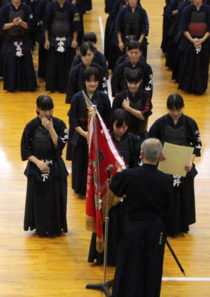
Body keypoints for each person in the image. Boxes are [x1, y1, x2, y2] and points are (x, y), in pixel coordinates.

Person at [110, 137, 172, 297]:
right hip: (155, 229)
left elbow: (115, 187)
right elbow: (168, 207)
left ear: (141, 154)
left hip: (133, 228)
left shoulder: (130, 175)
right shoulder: (166, 179)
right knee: (152, 267)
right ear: (160, 156)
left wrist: (118, 169)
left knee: (129, 265)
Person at [87, 108, 140, 266]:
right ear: (112, 126)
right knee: (106, 221)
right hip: (107, 187)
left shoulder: (133, 140)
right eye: (118, 127)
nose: (122, 130)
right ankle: (104, 256)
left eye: (124, 127)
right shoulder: (104, 139)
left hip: (124, 188)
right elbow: (98, 160)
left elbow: (137, 164)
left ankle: (123, 256)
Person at [149, 93, 201, 238]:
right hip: (165, 166)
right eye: (172, 110)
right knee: (166, 196)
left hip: (183, 166)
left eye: (178, 110)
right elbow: (151, 142)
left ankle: (181, 224)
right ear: (167, 109)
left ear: (183, 108)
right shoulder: (160, 123)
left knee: (180, 196)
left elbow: (197, 146)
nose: (176, 113)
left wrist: (190, 160)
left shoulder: (190, 123)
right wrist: (158, 154)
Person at [22, 94, 69, 238]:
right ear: (37, 109)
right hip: (37, 167)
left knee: (55, 198)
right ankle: (40, 227)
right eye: (44, 110)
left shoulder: (60, 125)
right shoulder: (31, 126)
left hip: (55, 168)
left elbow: (60, 146)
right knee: (39, 199)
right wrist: (38, 162)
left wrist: (51, 129)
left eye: (50, 110)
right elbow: (25, 149)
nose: (48, 113)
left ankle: (56, 227)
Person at [68, 67, 111, 198]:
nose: (92, 84)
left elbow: (108, 118)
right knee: (80, 164)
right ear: (84, 81)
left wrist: (99, 133)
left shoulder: (103, 98)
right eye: (89, 81)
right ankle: (81, 190)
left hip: (99, 137)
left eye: (95, 81)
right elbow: (73, 119)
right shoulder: (77, 97)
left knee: (98, 163)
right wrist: (85, 134)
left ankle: (97, 189)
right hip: (81, 137)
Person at [0, 0, 38, 92]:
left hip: (23, 39)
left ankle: (27, 86)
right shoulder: (5, 9)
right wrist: (13, 24)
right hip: (10, 39)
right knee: (11, 63)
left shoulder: (27, 8)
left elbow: (31, 25)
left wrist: (21, 23)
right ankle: (11, 86)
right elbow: (1, 26)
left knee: (26, 63)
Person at [42, 0, 81, 93]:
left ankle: (66, 87)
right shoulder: (50, 7)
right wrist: (46, 40)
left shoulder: (72, 7)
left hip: (68, 40)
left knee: (67, 65)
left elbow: (76, 25)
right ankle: (52, 87)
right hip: (53, 40)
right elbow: (46, 25)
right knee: (53, 65)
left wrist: (74, 40)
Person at [177, 0, 210, 95]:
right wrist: (193, 40)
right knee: (188, 64)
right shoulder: (187, 10)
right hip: (189, 42)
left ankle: (200, 87)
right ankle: (188, 86)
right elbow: (183, 27)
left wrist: (202, 40)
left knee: (202, 65)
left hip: (204, 41)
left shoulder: (208, 10)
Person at [110, 0, 149, 71]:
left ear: (137, 0)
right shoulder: (122, 11)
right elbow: (118, 26)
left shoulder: (142, 11)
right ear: (128, 0)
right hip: (124, 39)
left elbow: (145, 28)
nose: (132, 1)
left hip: (139, 38)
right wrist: (120, 41)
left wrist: (139, 43)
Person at [112, 69, 152, 142]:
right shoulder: (119, 97)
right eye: (130, 83)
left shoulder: (146, 96)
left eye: (135, 83)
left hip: (140, 132)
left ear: (140, 81)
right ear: (126, 81)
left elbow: (144, 115)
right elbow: (113, 117)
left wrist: (128, 108)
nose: (132, 86)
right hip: (123, 132)